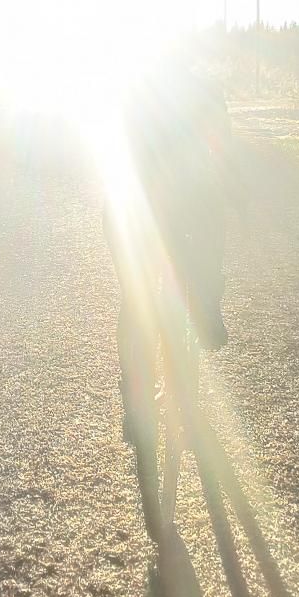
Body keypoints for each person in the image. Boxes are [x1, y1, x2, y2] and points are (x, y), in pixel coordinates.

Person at [108, 53, 237, 450]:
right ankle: (208, 309)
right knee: (209, 244)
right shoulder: (205, 88)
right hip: (181, 207)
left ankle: (134, 401)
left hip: (133, 207)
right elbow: (224, 148)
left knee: (134, 299)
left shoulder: (132, 92)